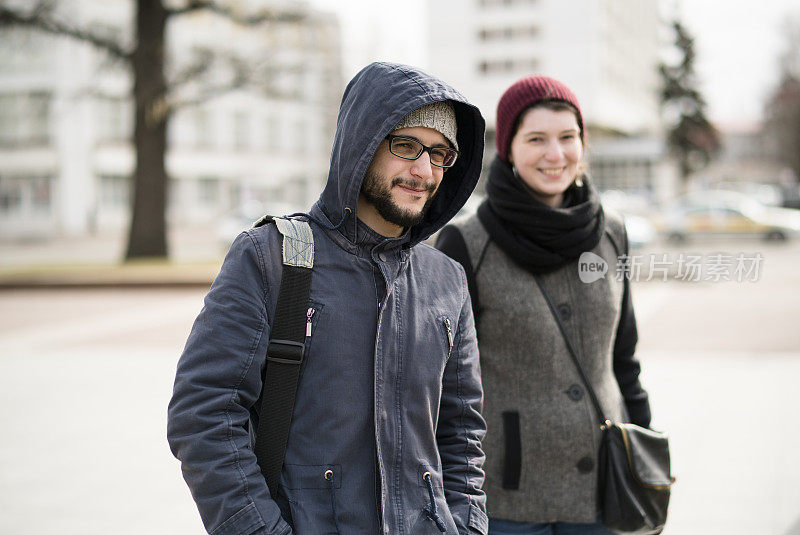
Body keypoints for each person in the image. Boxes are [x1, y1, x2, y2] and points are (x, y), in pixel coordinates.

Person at [167, 62, 489, 535]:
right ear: (361, 142)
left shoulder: (447, 280)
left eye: (441, 154)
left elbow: (463, 433)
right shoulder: (270, 257)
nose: (424, 170)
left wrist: (465, 526)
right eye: (405, 146)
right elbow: (204, 414)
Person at [436, 75, 653, 534]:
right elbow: (441, 384)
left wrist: (646, 450)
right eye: (536, 139)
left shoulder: (612, 232)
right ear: (509, 148)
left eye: (567, 137)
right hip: (506, 497)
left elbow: (624, 358)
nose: (555, 155)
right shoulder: (466, 243)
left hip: (606, 489)